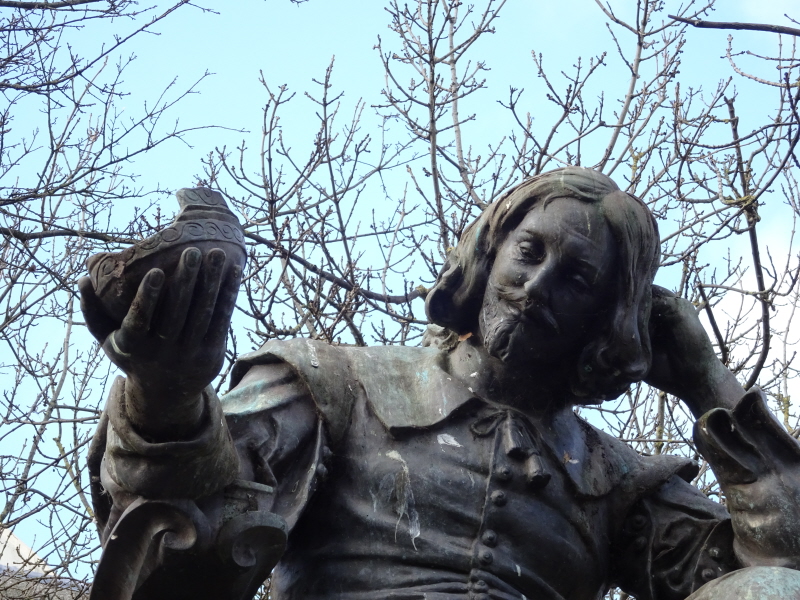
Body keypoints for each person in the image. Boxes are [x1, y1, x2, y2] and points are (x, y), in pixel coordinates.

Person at [81, 167, 800, 600]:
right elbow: (197, 521)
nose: (536, 284)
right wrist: (167, 396)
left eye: (577, 278)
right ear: (489, 254)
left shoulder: (614, 480)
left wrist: (711, 385)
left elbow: (779, 565)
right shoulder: (337, 384)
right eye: (528, 251)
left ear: (607, 319)